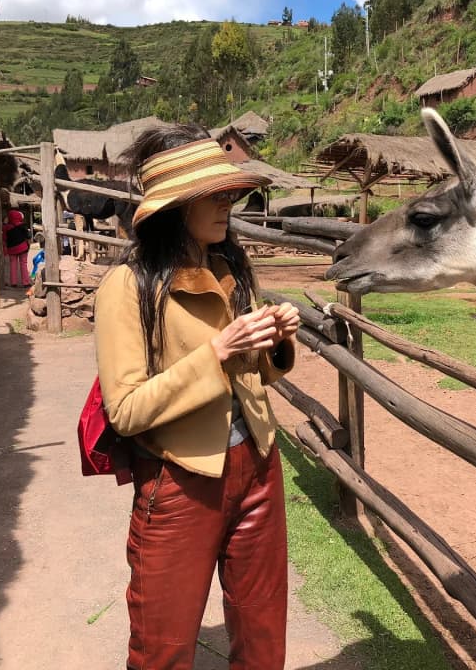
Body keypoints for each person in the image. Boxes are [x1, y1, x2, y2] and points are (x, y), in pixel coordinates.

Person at [94, 124, 300, 670]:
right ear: (175, 205)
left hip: (258, 465)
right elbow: (126, 410)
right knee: (163, 646)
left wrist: (274, 341)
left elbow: (254, 376)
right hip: (179, 481)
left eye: (228, 191)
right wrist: (215, 356)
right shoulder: (127, 287)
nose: (226, 202)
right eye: (212, 194)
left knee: (263, 636)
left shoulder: (232, 268)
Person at [2, 208, 31, 288]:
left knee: (13, 265)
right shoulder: (22, 225)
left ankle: (13, 282)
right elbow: (28, 236)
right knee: (23, 264)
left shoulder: (6, 228)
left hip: (11, 249)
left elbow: (4, 238)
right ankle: (25, 282)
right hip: (22, 248)